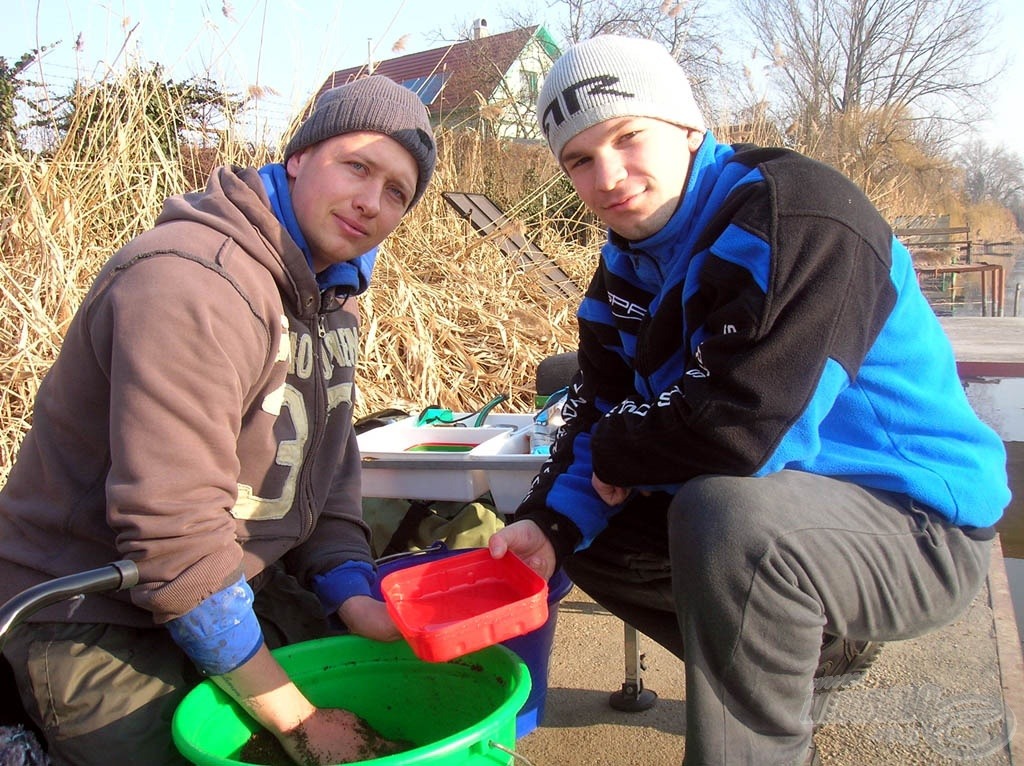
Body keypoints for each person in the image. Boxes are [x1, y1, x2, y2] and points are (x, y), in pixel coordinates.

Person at [488, 35, 1009, 766]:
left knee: (725, 515)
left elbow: (745, 430)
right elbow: (596, 409)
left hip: (919, 526)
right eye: (578, 158)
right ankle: (810, 651)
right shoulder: (624, 272)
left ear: (688, 127)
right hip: (792, 512)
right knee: (583, 536)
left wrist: (620, 449)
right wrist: (545, 522)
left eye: (628, 138)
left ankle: (753, 745)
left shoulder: (798, 214)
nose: (607, 175)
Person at [0, 74, 436, 766]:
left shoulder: (332, 296)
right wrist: (299, 718)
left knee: (389, 705)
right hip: (90, 610)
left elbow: (324, 474)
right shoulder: (189, 283)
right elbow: (169, 537)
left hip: (236, 587)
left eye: (396, 193)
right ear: (299, 155)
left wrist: (353, 594)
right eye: (358, 166)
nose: (370, 203)